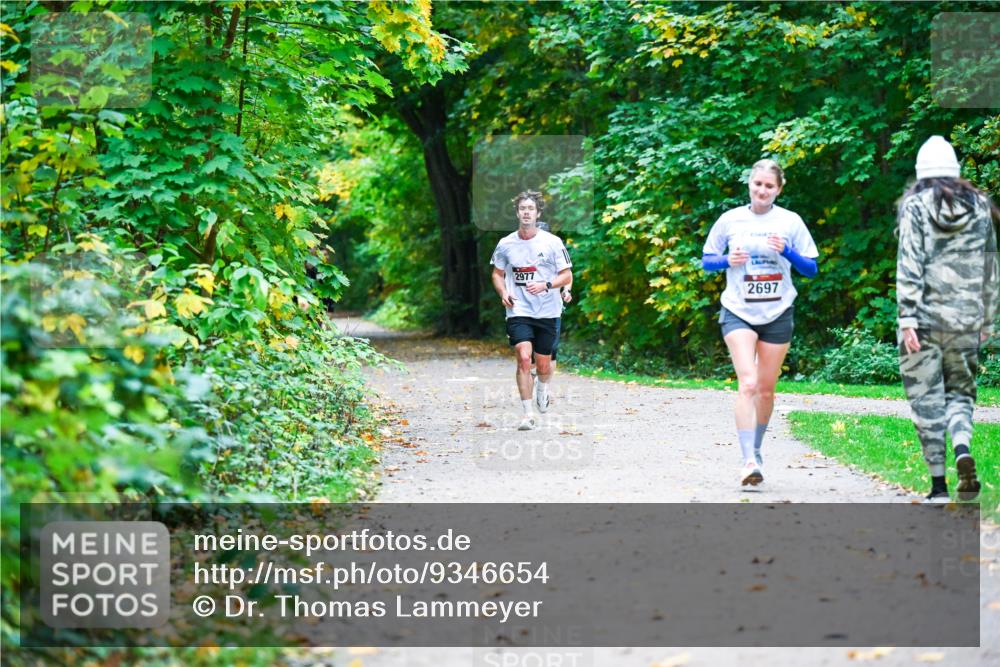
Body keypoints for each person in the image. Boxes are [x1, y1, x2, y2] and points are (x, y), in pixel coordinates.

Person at [702, 159, 819, 486]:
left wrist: (789, 252)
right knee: (748, 383)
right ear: (750, 185)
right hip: (738, 309)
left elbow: (811, 269)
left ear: (778, 189)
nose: (762, 190)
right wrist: (728, 260)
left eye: (769, 186)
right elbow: (707, 260)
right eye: (758, 184)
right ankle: (748, 460)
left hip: (778, 311)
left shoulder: (790, 222)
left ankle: (756, 449)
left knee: (766, 391)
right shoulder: (730, 219)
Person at [896, 135, 998, 504]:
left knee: (927, 399)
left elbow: (909, 261)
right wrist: (989, 315)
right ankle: (962, 448)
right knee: (960, 394)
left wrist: (907, 316)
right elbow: (990, 264)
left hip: (923, 319)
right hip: (966, 317)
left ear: (921, 173)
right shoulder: (980, 206)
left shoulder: (916, 207)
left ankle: (938, 487)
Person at [491, 191, 573, 431]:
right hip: (519, 309)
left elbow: (566, 274)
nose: (526, 212)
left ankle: (543, 388)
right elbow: (497, 274)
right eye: (523, 208)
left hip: (548, 310)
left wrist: (547, 285)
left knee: (544, 366)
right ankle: (527, 414)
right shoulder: (506, 244)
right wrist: (503, 292)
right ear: (517, 213)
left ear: (538, 213)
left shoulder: (552, 242)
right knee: (524, 357)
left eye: (531, 209)